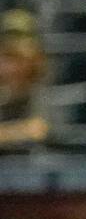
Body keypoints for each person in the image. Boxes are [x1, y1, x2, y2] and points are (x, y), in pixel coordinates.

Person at [0, 9, 49, 150]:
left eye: (19, 59)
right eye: (7, 59)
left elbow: (39, 130)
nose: (12, 68)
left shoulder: (44, 95)